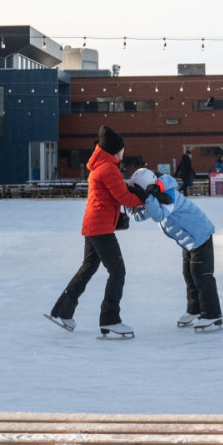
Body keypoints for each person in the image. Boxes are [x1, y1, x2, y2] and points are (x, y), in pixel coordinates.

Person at [47, 126, 144, 337]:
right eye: (122, 149)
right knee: (117, 271)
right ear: (116, 150)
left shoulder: (101, 166)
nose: (123, 153)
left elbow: (119, 194)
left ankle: (64, 311)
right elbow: (124, 198)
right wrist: (146, 198)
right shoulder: (108, 168)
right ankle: (110, 319)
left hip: (94, 225)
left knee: (88, 268)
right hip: (100, 227)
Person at [126, 168, 223, 332]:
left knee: (202, 276)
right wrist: (130, 203)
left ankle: (212, 314)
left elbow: (158, 215)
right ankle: (195, 310)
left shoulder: (170, 195)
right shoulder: (154, 197)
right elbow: (138, 217)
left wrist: (148, 198)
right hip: (188, 241)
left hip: (200, 235)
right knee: (189, 275)